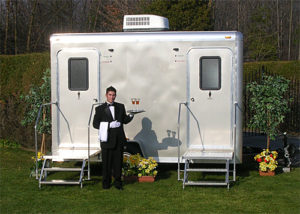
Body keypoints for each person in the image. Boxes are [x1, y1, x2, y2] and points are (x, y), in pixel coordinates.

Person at [93, 86, 134, 190]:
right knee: (106, 164)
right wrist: (108, 125)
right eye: (110, 95)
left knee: (118, 163)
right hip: (106, 140)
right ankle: (106, 184)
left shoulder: (120, 106)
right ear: (106, 95)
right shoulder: (100, 109)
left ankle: (118, 183)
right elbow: (95, 124)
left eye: (114, 95)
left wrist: (131, 116)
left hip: (119, 140)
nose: (112, 97)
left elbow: (124, 120)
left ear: (116, 95)